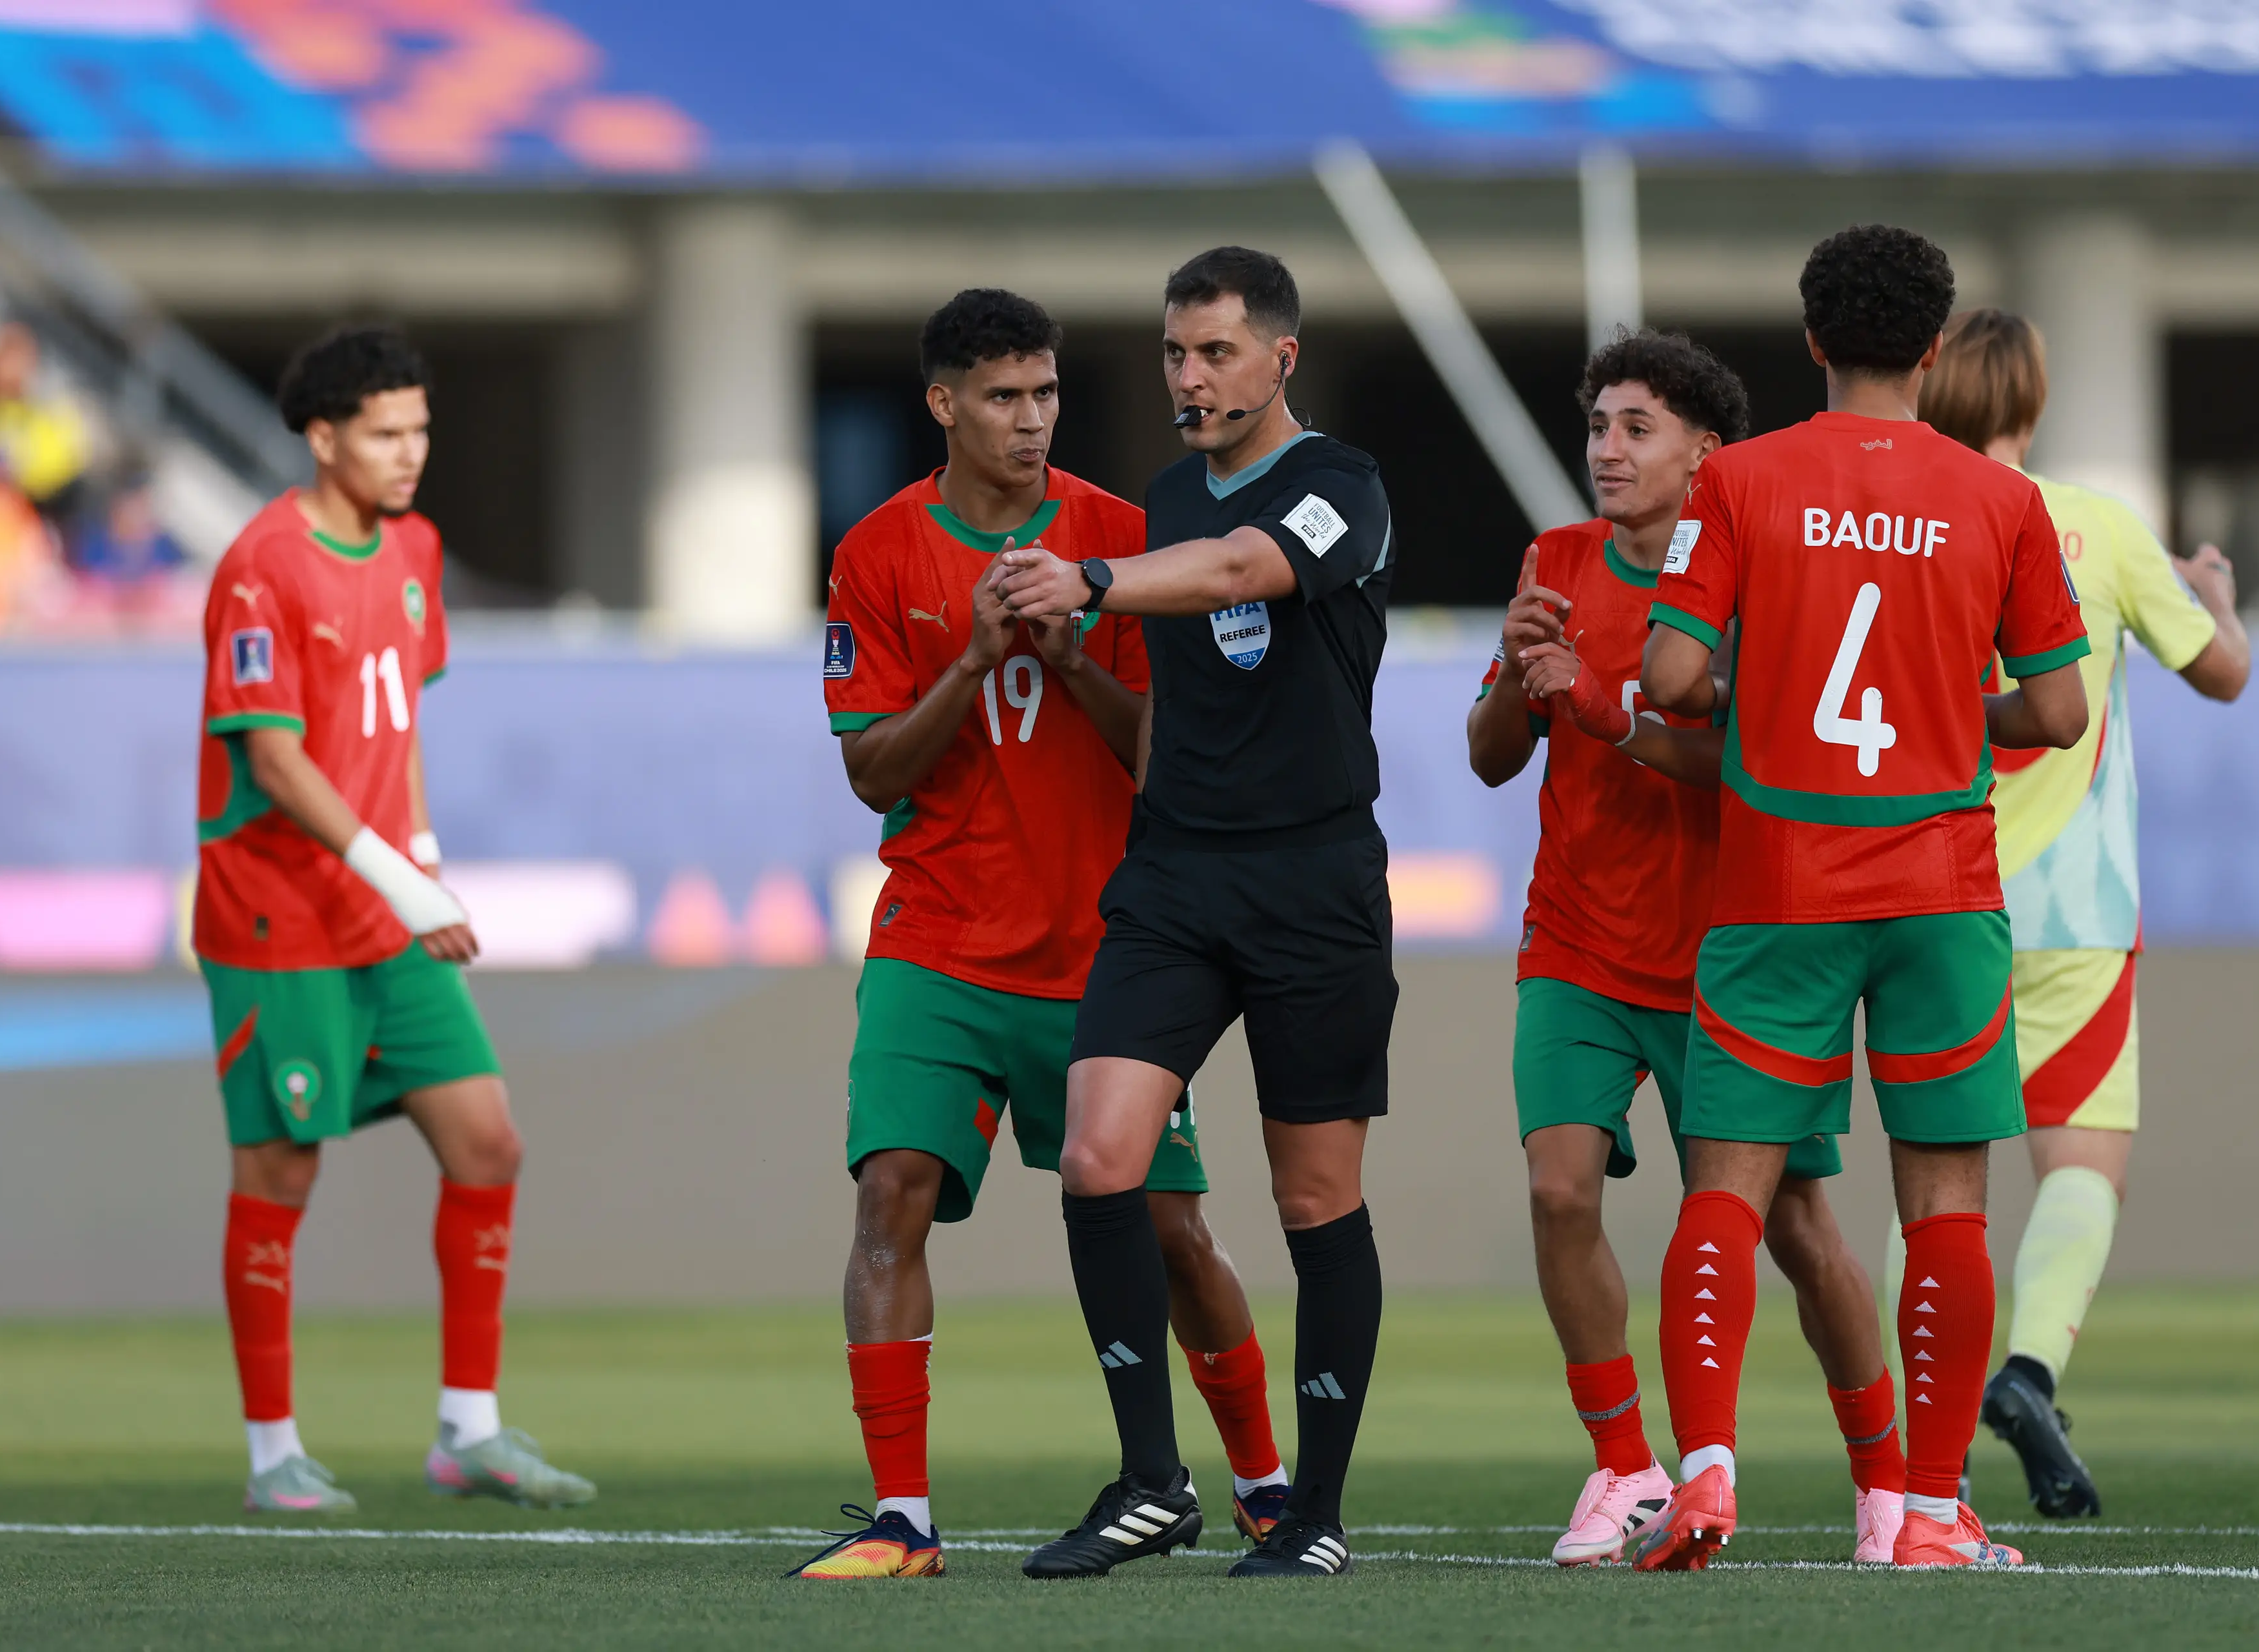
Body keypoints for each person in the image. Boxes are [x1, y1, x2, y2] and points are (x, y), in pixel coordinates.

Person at [797, 289, 1287, 1581]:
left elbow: (1166, 754)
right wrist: (967, 660)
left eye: (1047, 393)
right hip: (938, 944)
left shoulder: (1124, 538)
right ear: (944, 404)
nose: (1031, 418)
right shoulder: (881, 552)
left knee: (1176, 1233)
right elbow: (868, 773)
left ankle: (1267, 1482)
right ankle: (903, 1516)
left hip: (1103, 949)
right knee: (888, 1194)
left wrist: (1072, 656)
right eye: (1005, 396)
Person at [1633, 225, 2090, 1572]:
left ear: (1815, 338)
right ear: (1937, 349)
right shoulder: (2002, 502)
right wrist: (1958, 705)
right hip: (1942, 890)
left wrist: (1751, 688)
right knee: (1946, 1199)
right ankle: (1930, 1514)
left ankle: (1705, 1476)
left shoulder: (1743, 481)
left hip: (1780, 881)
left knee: (1726, 1188)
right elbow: (2059, 710)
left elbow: (1666, 678)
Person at [1469, 328, 1909, 1567]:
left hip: (1735, 952)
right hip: (1578, 946)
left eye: (1635, 427)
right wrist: (1518, 673)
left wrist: (1602, 710)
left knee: (1801, 1230)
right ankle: (1621, 1466)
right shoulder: (1556, 559)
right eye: (1598, 425)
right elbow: (1493, 754)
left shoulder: (1760, 562)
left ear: (1704, 451)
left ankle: (1888, 1487)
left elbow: (1747, 765)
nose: (1606, 449)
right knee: (1560, 1189)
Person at [996, 246, 1394, 1580]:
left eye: (1217, 351)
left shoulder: (1344, 487)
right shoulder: (1165, 493)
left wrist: (1092, 582)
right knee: (1098, 1158)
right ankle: (1152, 1481)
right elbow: (1175, 703)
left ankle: (1313, 1510)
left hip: (1312, 882)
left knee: (1311, 1193)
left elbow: (1240, 570)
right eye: (1175, 352)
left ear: (1281, 358)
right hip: (1177, 878)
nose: (1190, 376)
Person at [197, 323, 591, 1515]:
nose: (412, 452)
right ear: (324, 438)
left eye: (421, 429)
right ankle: (274, 1455)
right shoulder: (262, 564)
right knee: (281, 1169)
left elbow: (396, 732)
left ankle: (466, 1432)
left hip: (383, 910)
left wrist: (417, 861)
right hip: (276, 916)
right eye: (386, 432)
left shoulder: (414, 548)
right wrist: (397, 875)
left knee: (489, 1142)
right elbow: (271, 758)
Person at [1911, 307, 2249, 1518]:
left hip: (1929, 891)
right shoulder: (2099, 528)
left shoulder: (1908, 520)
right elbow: (2221, 671)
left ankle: (1919, 1452)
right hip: (2076, 904)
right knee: (2082, 1161)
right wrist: (2212, 591)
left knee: (1936, 1174)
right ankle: (2030, 1367)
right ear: (2036, 406)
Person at [0, 320, 90, 523]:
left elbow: (58, 466)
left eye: (20, 358)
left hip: (20, 513)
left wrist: (11, 463)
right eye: (7, 355)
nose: (13, 367)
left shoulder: (43, 409)